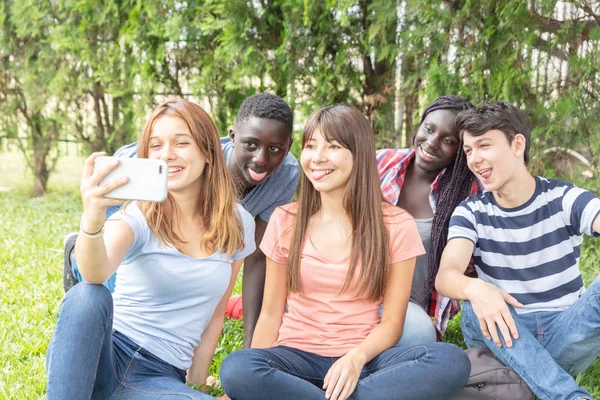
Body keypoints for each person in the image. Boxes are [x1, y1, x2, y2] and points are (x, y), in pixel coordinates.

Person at [219, 105, 471, 400]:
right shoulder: (286, 219)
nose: (317, 158)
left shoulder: (395, 224)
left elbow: (391, 323)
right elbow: (271, 314)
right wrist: (248, 380)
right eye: (311, 145)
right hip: (295, 359)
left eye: (333, 146)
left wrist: (356, 358)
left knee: (451, 361)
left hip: (365, 361)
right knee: (237, 368)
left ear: (359, 154)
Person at [46, 99, 256, 399]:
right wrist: (92, 213)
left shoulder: (238, 224)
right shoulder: (139, 215)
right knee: (87, 295)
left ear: (208, 151)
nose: (167, 155)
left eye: (181, 142)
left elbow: (215, 315)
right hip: (100, 355)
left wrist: (195, 383)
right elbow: (94, 274)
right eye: (156, 145)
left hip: (157, 376)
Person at [62, 93, 300, 347]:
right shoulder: (196, 155)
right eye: (251, 145)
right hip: (134, 202)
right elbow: (138, 161)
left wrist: (251, 345)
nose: (261, 159)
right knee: (111, 286)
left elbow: (258, 255)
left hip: (198, 224)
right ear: (232, 138)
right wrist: (94, 221)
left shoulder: (286, 173)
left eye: (275, 149)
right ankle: (77, 257)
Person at [435, 101, 600, 400]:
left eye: (484, 145)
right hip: (503, 329)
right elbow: (446, 276)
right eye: (469, 150)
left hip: (565, 330)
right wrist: (477, 289)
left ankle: (526, 380)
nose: (474, 159)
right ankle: (567, 394)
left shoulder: (562, 197)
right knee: (474, 305)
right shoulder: (470, 211)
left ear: (517, 144)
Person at [376, 95, 477, 344]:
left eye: (448, 140)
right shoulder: (380, 162)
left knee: (420, 334)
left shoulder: (467, 195)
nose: (431, 143)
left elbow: (475, 266)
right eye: (428, 129)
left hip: (403, 306)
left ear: (461, 151)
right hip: (348, 294)